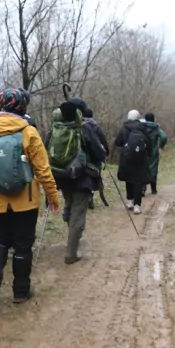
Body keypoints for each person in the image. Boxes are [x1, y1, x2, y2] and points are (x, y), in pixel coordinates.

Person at [0, 88, 62, 307]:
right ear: (23, 108)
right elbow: (43, 170)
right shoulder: (28, 132)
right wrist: (53, 196)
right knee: (22, 244)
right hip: (25, 201)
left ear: (0, 106)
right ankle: (20, 291)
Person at [48, 96, 107, 264]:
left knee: (70, 203)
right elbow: (99, 152)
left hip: (62, 176)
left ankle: (70, 226)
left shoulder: (56, 128)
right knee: (78, 214)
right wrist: (101, 155)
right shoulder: (85, 128)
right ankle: (71, 253)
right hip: (83, 177)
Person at [114, 110, 153, 214]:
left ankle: (129, 201)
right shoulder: (143, 128)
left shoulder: (124, 128)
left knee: (129, 179)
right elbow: (149, 143)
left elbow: (117, 142)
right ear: (138, 117)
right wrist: (148, 154)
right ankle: (137, 205)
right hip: (140, 159)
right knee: (138, 181)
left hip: (127, 158)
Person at [81, 107, 110, 213]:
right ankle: (91, 196)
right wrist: (106, 152)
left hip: (83, 156)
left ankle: (87, 196)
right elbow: (103, 139)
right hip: (95, 155)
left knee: (85, 176)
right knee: (95, 175)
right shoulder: (95, 126)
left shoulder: (79, 125)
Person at [143, 112, 168, 195]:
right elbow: (164, 137)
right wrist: (161, 146)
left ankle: (143, 188)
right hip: (153, 151)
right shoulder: (156, 128)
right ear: (153, 119)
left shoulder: (141, 127)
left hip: (143, 150)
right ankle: (153, 189)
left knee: (143, 168)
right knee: (153, 169)